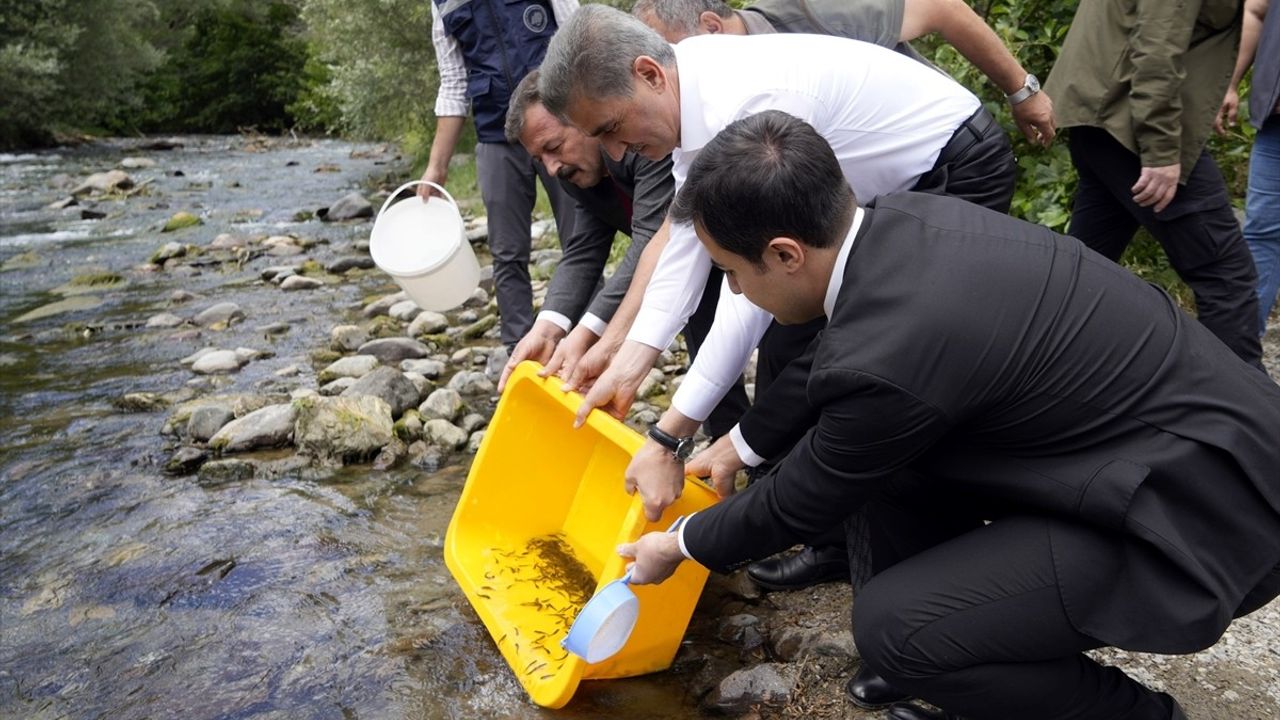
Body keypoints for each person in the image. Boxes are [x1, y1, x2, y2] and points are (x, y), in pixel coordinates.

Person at [620, 109, 1280, 720]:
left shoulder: (893, 350)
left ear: (786, 254)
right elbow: (833, 371)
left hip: (1200, 511)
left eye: (732, 272)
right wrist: (741, 446)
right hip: (1170, 451)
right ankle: (963, 652)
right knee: (893, 470)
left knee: (894, 629)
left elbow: (799, 501)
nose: (734, 290)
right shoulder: (904, 221)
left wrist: (675, 547)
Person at [536, 4, 1015, 604]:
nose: (616, 154)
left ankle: (933, 570)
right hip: (861, 198)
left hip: (949, 167)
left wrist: (669, 433)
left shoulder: (752, 99)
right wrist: (632, 362)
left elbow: (756, 283)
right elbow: (688, 239)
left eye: (610, 128)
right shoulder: (691, 90)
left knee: (874, 364)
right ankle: (834, 541)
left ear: (649, 74)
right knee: (793, 353)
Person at [499, 70, 749, 438]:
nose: (551, 169)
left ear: (584, 120)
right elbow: (584, 247)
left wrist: (587, 334)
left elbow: (652, 238)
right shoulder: (572, 168)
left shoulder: (639, 139)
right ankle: (727, 450)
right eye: (539, 159)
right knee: (704, 338)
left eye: (553, 148)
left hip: (738, 245)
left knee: (774, 346)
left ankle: (766, 451)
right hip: (687, 259)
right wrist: (548, 328)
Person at [1044, 0, 1265, 370]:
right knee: (1226, 275)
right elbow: (1156, 45)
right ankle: (1245, 421)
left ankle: (1028, 386)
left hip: (1104, 116)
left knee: (1082, 270)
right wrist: (1161, 149)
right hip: (1129, 124)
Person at [631, 0, 1055, 147]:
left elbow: (942, 11)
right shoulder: (712, 101)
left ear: (710, 27)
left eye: (674, 55)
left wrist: (1022, 91)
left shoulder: (810, 13)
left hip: (949, 157)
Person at [420, 0, 580, 350]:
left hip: (558, 124)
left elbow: (576, 32)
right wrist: (437, 166)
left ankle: (587, 342)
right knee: (507, 254)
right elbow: (453, 83)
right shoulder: (443, 5)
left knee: (581, 240)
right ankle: (520, 355)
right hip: (496, 136)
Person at [1219, 0, 1280, 337]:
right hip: (1276, 124)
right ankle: (1243, 362)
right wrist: (1231, 83)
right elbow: (1256, 10)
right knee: (1261, 235)